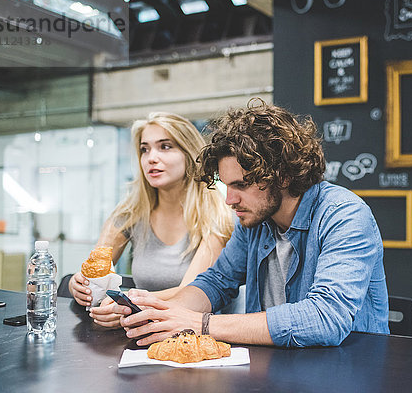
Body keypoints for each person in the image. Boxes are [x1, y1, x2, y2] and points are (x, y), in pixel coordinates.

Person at [114, 100, 389, 347]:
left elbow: (325, 318)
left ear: (281, 176)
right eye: (226, 185)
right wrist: (161, 314)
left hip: (347, 374)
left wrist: (201, 324)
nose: (229, 200)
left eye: (241, 185)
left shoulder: (344, 216)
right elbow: (217, 282)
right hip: (274, 370)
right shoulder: (255, 221)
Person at [68, 112, 234, 327]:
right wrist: (78, 284)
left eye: (165, 147)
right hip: (141, 330)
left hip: (198, 335)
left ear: (189, 153)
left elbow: (194, 291)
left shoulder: (217, 214)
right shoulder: (130, 213)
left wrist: (130, 304)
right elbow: (95, 270)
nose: (151, 158)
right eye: (144, 149)